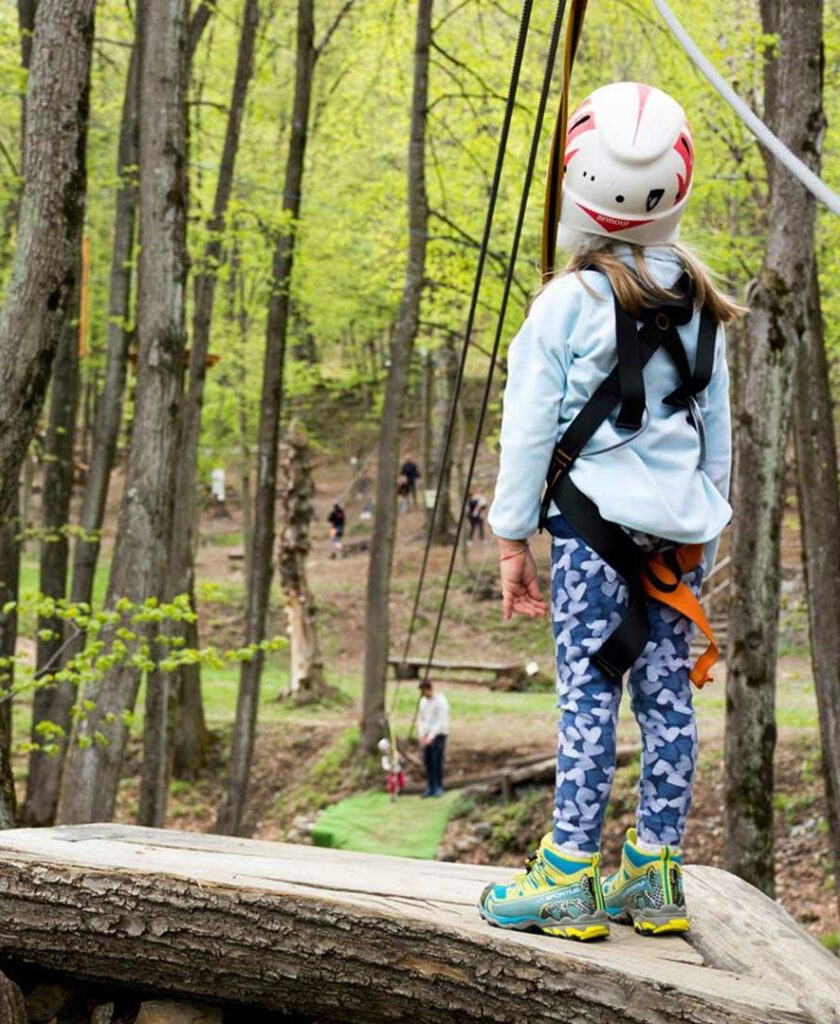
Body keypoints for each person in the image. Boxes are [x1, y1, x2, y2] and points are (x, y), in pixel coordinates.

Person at [477, 82, 742, 943]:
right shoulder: (703, 303)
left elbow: (526, 434)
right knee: (668, 704)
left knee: (589, 697)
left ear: (575, 184)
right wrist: (706, 532)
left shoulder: (563, 303)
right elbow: (716, 437)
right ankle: (654, 875)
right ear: (681, 183)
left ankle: (564, 875)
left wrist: (512, 534)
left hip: (591, 536)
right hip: (674, 545)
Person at [416, 679, 449, 797]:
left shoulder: (440, 702)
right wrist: (422, 734)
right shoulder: (423, 702)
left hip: (439, 734)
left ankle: (438, 786)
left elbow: (440, 721)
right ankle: (430, 786)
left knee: (437, 761)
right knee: (428, 761)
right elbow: (421, 719)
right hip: (427, 733)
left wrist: (431, 736)